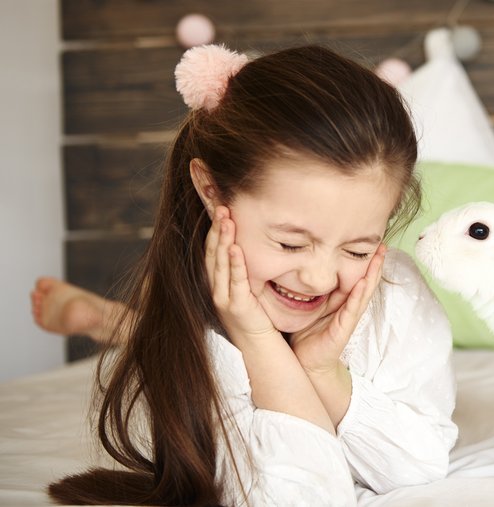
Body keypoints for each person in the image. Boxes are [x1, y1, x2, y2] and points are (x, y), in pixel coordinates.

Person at [30, 43, 458, 506]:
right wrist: (257, 339)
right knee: (157, 335)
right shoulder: (200, 320)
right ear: (211, 189)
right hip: (194, 324)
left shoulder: (394, 288)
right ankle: (121, 323)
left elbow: (419, 463)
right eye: (291, 244)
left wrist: (323, 372)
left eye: (357, 249)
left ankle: (117, 321)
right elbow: (299, 496)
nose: (319, 279)